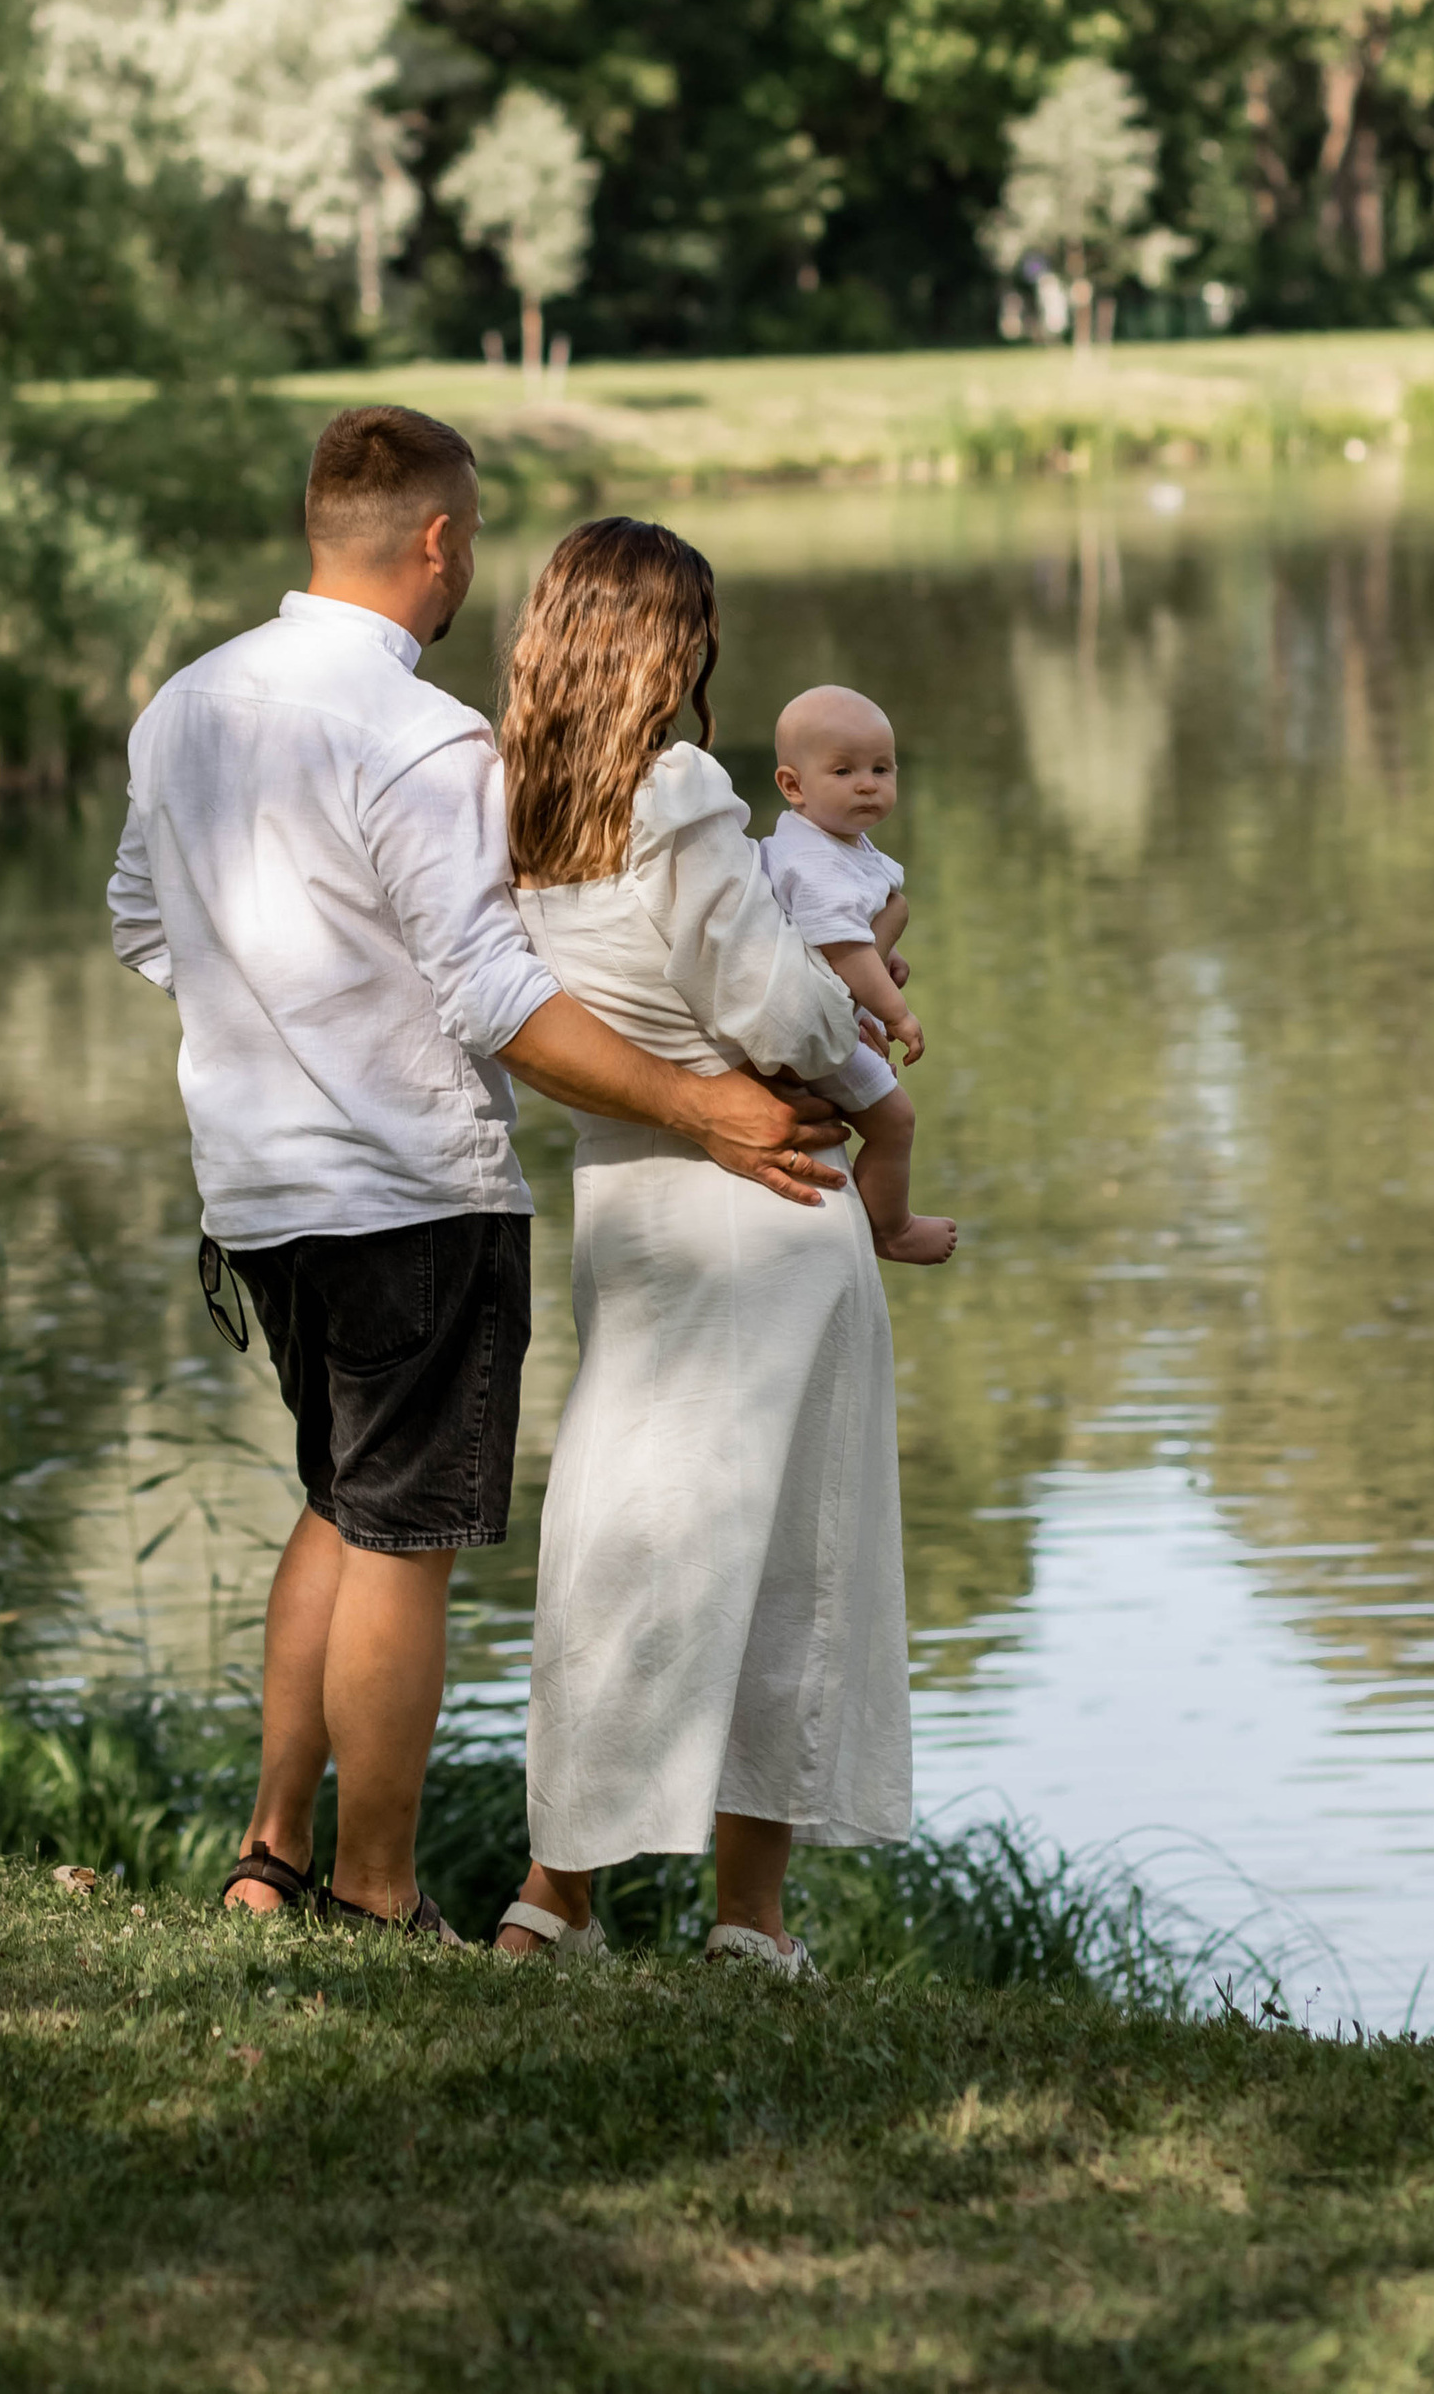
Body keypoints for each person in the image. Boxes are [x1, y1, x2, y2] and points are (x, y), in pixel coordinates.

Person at [106, 407, 851, 1942]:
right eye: (472, 542)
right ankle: (379, 1895)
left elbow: (140, 921)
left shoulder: (186, 704)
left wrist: (276, 1016)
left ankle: (269, 1859)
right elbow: (495, 998)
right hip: (407, 1189)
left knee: (336, 1497)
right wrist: (703, 1108)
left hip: (251, 1189)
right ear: (436, 540)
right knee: (404, 1538)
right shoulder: (426, 738)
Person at [487, 519, 931, 1976]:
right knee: (789, 1557)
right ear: (673, 643)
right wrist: (850, 1009)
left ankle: (557, 1897)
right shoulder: (673, 786)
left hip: (631, 1197)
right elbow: (770, 1005)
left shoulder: (519, 800)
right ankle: (750, 1924)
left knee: (623, 1540)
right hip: (769, 1200)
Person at [764, 684, 957, 1268]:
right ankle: (891, 1229)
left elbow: (854, 938)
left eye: (881, 768)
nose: (868, 784)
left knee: (891, 1115)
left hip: (831, 1000)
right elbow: (844, 952)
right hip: (809, 1022)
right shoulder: (815, 861)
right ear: (794, 785)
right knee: (895, 1119)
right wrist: (895, 1013)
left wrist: (882, 959)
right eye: (844, 771)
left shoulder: (831, 835)